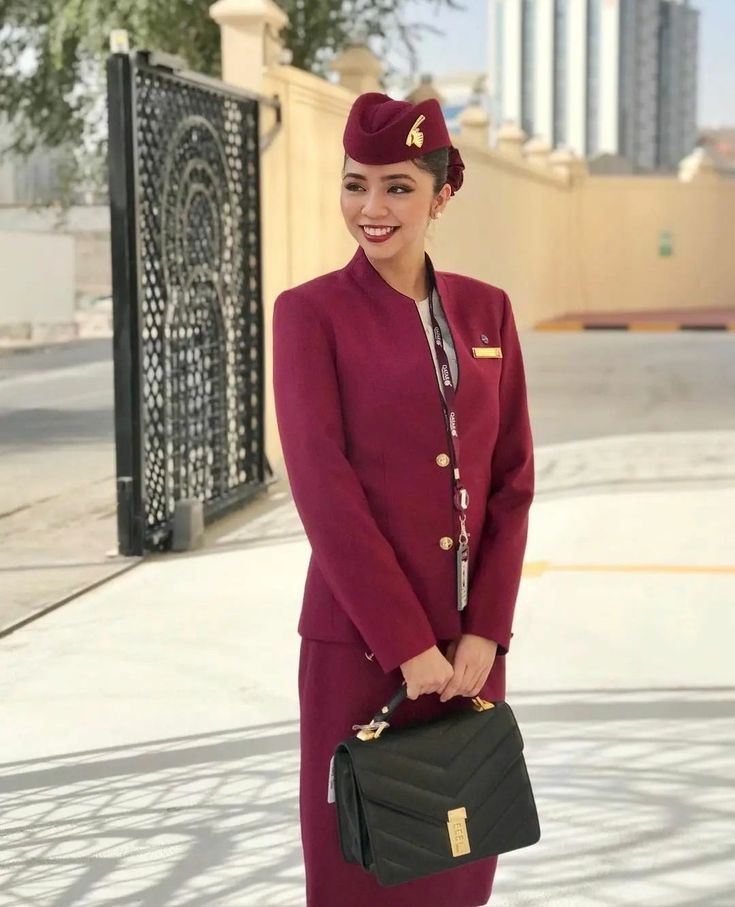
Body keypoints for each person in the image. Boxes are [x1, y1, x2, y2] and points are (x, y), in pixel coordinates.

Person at [272, 91, 534, 907]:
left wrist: (486, 630)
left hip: (470, 660)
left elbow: (512, 478)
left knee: (459, 858)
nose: (370, 208)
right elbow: (323, 487)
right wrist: (406, 644)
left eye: (396, 187)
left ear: (440, 194)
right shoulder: (308, 315)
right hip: (363, 650)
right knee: (363, 869)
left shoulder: (487, 309)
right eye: (355, 184)